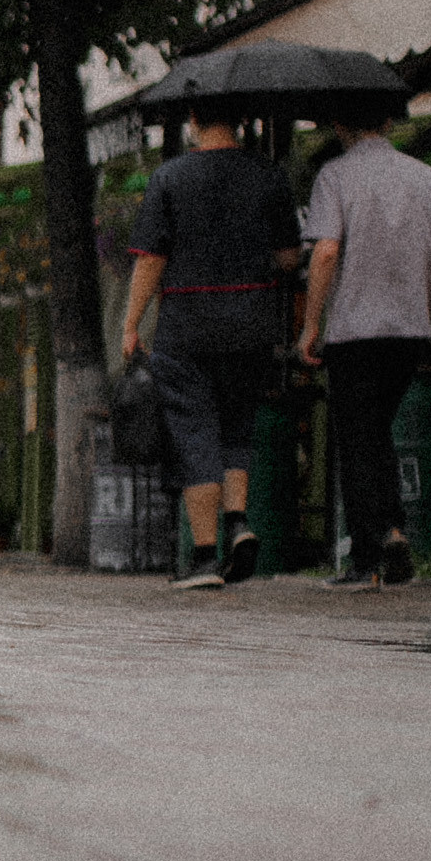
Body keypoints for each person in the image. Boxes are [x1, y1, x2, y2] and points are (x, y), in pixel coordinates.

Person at [118, 107, 303, 588]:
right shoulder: (268, 175)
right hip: (252, 323)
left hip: (187, 324)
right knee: (237, 424)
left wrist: (131, 322)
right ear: (240, 121)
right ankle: (238, 522)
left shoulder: (170, 178)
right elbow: (288, 256)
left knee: (194, 432)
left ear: (196, 120)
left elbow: (152, 258)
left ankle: (203, 559)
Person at [296, 99, 431, 588]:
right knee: (374, 431)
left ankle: (371, 554)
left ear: (338, 121)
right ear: (389, 122)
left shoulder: (334, 176)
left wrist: (311, 325)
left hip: (354, 331)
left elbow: (326, 251)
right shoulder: (426, 177)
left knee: (358, 437)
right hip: (411, 331)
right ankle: (387, 535)